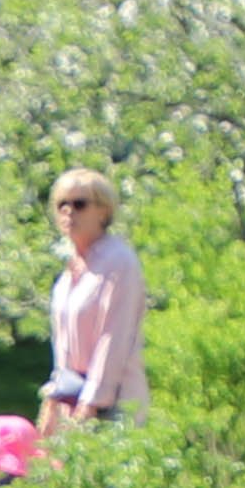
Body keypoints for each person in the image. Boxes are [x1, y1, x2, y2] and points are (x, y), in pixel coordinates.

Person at [39, 168, 147, 430]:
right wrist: (53, 402)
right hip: (74, 404)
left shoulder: (118, 263)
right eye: (61, 204)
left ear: (103, 211)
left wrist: (90, 404)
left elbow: (114, 338)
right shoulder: (69, 274)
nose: (69, 212)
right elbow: (63, 346)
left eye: (79, 204)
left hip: (115, 407)